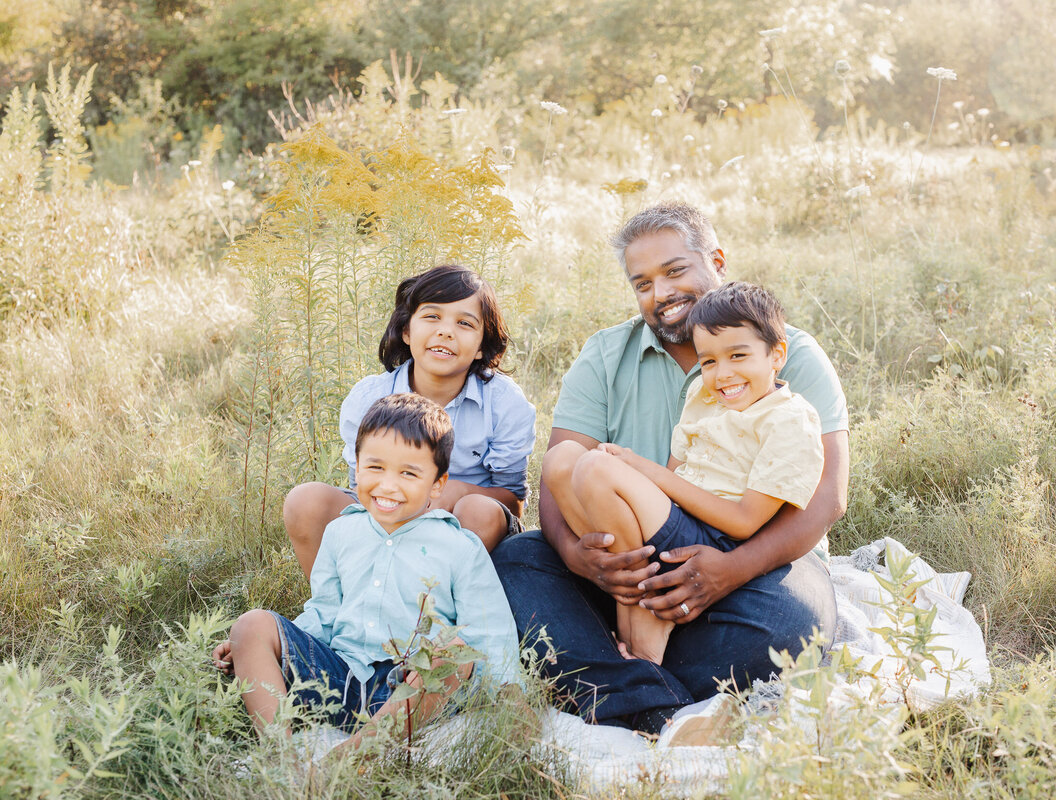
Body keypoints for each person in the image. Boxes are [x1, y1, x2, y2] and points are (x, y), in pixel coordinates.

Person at [491, 202, 848, 744]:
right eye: (643, 283)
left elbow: (828, 499)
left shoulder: (785, 349)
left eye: (676, 271)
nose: (661, 293)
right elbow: (556, 478)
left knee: (795, 621)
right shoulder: (606, 355)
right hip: (628, 572)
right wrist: (579, 560)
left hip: (753, 570)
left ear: (717, 261)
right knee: (518, 560)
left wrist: (731, 570)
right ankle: (664, 702)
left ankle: (617, 687)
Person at [541, 282, 825, 667]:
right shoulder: (703, 398)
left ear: (777, 355)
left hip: (715, 545)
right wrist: (641, 478)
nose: (723, 374)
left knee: (596, 467)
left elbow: (743, 523)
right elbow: (676, 479)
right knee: (562, 459)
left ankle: (641, 622)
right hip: (675, 525)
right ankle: (637, 599)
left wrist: (640, 468)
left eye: (738, 355)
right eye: (709, 362)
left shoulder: (789, 419)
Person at [212, 393, 520, 746]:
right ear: (356, 466)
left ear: (437, 484)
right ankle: (284, 758)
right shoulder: (342, 532)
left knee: (451, 653)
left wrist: (511, 696)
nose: (388, 485)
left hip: (408, 690)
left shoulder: (459, 547)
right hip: (339, 679)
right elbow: (324, 613)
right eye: (375, 467)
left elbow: (491, 636)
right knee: (251, 625)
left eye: (408, 473)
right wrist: (273, 647)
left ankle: (353, 759)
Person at [284, 264, 536, 576]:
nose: (445, 330)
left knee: (477, 510)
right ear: (406, 331)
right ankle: (339, 608)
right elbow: (362, 485)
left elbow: (512, 501)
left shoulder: (504, 403)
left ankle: (431, 613)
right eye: (432, 316)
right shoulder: (368, 399)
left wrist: (458, 492)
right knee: (305, 501)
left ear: (481, 347)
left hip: (467, 529)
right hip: (386, 509)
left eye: (465, 323)